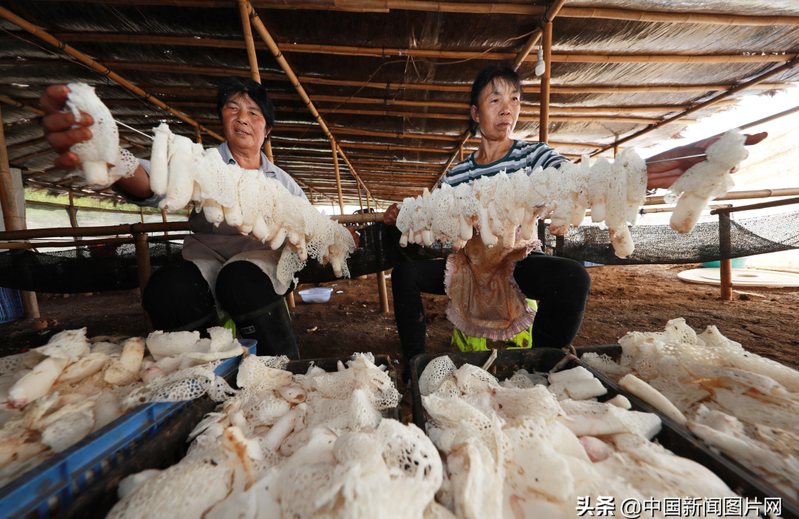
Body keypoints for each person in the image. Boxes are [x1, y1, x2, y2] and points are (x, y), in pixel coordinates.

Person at [383, 63, 767, 369]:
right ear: (475, 112)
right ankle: (415, 362)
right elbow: (436, 217)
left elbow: (575, 181)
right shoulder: (457, 174)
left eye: (515, 100)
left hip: (516, 260)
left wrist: (653, 169)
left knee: (572, 277)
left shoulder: (534, 156)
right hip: (469, 265)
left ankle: (542, 364)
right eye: (495, 99)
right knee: (405, 274)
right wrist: (403, 214)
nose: (508, 109)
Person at [42, 76, 358, 359]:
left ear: (267, 129)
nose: (242, 118)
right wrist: (115, 161)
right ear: (222, 117)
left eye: (253, 112)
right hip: (208, 257)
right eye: (233, 109)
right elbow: (154, 182)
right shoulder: (200, 163)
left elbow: (311, 225)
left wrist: (341, 238)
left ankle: (280, 365)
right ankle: (207, 364)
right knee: (168, 289)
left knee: (242, 281)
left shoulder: (282, 181)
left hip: (262, 263)